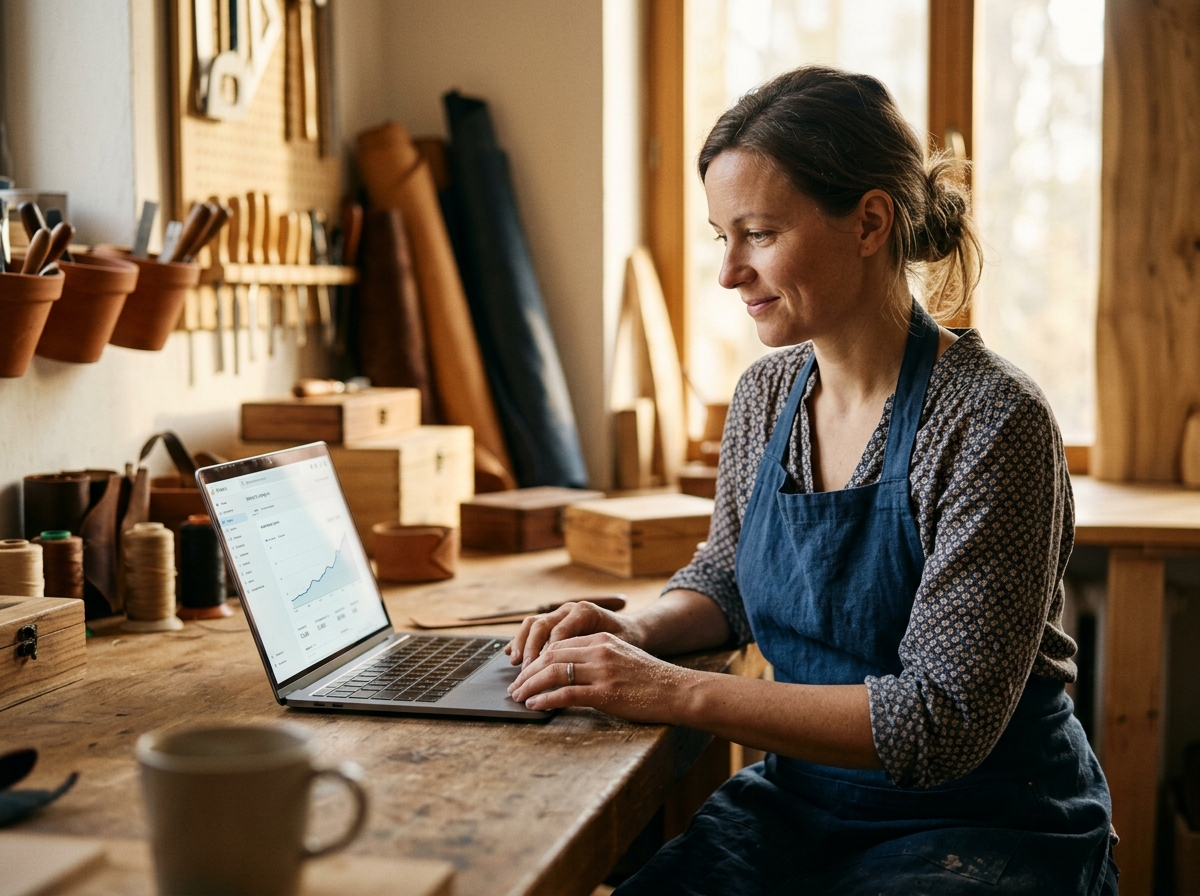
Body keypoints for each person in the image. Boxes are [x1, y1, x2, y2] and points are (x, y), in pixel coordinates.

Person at [505, 65, 1117, 895]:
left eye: (758, 233)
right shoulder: (764, 396)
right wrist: (634, 632)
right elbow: (728, 578)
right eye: (723, 238)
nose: (729, 274)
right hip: (805, 802)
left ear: (870, 222)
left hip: (986, 822)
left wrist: (667, 690)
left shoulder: (992, 420)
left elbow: (938, 721)